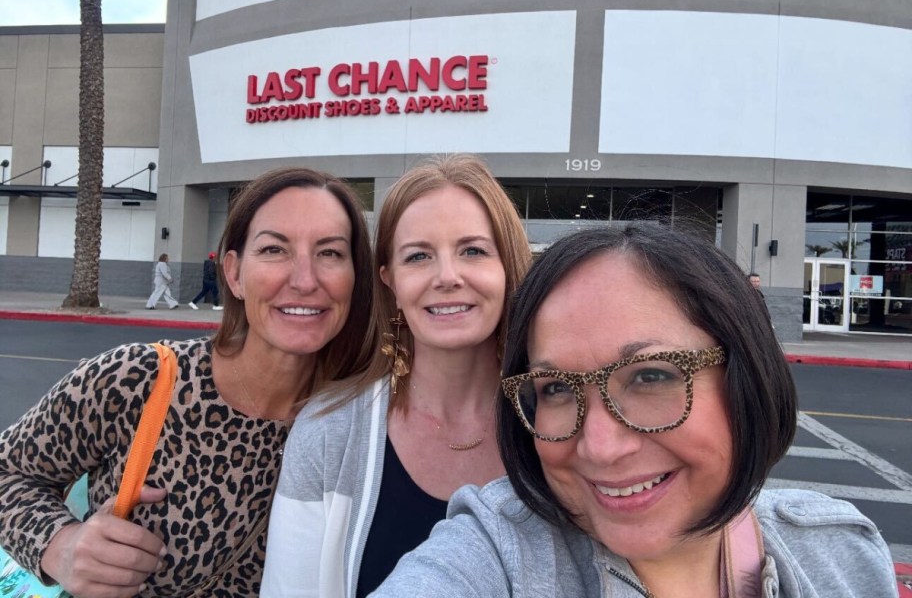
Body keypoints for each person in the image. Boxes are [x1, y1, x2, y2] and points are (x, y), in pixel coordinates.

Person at [369, 223, 897, 598]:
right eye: (556, 388)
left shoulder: (840, 553)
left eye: (651, 376)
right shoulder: (498, 556)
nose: (601, 447)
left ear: (745, 374)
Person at [0, 166, 376, 597]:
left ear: (355, 276)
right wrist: (60, 546)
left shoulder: (363, 421)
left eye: (330, 253)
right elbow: (7, 470)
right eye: (274, 249)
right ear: (234, 273)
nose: (305, 280)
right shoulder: (138, 379)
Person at [261, 154, 532, 597]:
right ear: (390, 280)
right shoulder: (328, 434)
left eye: (473, 251)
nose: (447, 276)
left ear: (507, 266)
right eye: (418, 256)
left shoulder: (561, 422)